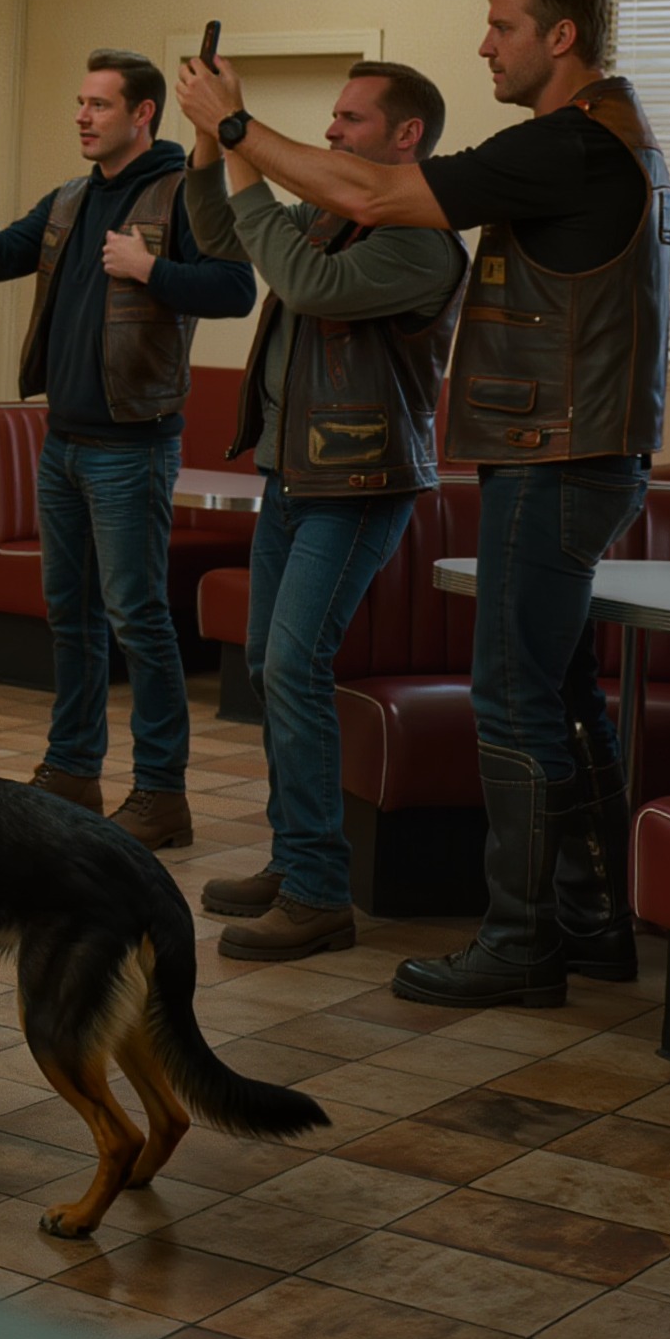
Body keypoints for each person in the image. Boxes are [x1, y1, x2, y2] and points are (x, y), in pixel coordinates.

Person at [176, 0, 670, 1009]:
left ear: (560, 38)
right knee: (561, 690)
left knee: (511, 696)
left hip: (557, 457)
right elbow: (290, 216)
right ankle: (584, 923)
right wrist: (219, 143)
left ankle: (519, 940)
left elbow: (362, 194)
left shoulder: (568, 143)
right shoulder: (605, 141)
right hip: (567, 452)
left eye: (501, 26)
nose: (484, 43)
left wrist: (232, 125)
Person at [185, 61, 466, 960]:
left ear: (405, 135)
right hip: (296, 476)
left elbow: (307, 284)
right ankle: (293, 856)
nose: (333, 132)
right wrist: (207, 149)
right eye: (334, 117)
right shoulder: (337, 213)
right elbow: (228, 239)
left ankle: (316, 890)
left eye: (350, 119)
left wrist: (242, 137)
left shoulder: (421, 239)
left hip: (360, 487)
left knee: (297, 668)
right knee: (273, 665)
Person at [0, 52, 254, 850]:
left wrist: (150, 267)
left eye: (100, 105)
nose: (83, 116)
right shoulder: (70, 199)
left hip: (133, 447)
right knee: (73, 619)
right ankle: (71, 770)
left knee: (138, 620)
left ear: (144, 114)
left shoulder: (182, 191)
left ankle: (162, 794)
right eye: (79, 102)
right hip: (64, 442)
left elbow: (236, 289)